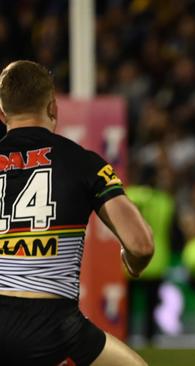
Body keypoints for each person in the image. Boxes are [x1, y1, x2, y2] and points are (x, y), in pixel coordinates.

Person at [0, 60, 154, 365]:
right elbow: (140, 244)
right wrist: (133, 264)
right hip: (54, 322)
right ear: (54, 107)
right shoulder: (85, 163)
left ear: (2, 113)